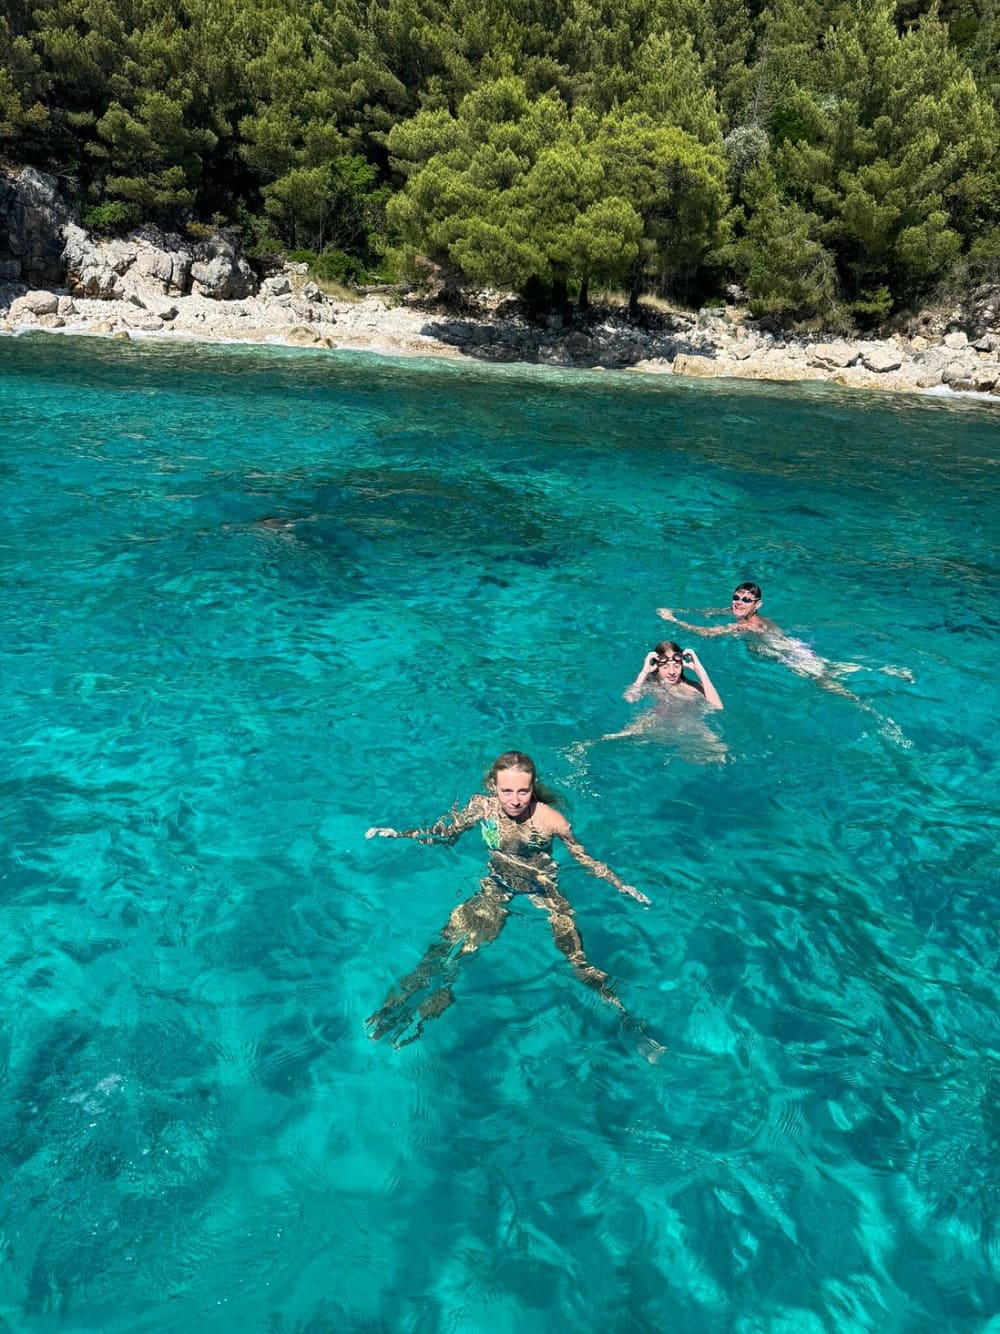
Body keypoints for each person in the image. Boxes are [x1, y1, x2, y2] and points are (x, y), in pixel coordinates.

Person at [364, 750, 651, 1049]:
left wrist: (621, 885)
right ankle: (408, 1000)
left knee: (577, 959)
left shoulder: (551, 820)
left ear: (533, 786)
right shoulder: (481, 808)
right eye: (507, 791)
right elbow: (443, 834)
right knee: (449, 945)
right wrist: (398, 834)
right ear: (493, 786)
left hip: (544, 890)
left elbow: (584, 858)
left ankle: (626, 1019)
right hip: (497, 886)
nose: (515, 800)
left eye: (523, 791)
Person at [658, 582, 911, 743]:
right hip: (799, 649)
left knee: (824, 682)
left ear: (757, 605)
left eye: (746, 600)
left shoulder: (751, 624)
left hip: (791, 657)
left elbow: (707, 633)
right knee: (829, 665)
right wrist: (686, 610)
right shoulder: (743, 614)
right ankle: (890, 670)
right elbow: (713, 612)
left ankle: (865, 707)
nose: (738, 602)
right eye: (736, 597)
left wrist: (674, 621)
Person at [624, 641, 723, 709]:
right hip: (655, 725)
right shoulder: (651, 684)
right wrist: (644, 672)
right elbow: (630, 699)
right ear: (656, 667)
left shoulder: (692, 687)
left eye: (676, 665)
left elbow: (717, 707)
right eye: (665, 667)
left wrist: (700, 671)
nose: (672, 671)